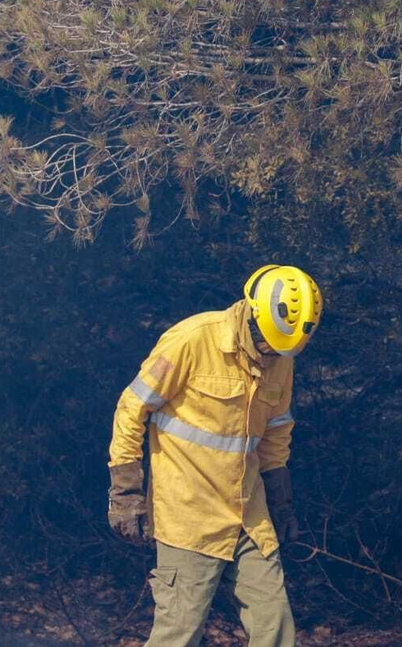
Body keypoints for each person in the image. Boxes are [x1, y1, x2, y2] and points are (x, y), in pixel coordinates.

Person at [107, 264, 324, 647]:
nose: (271, 355)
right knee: (179, 634)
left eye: (281, 350)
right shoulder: (192, 339)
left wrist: (281, 502)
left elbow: (276, 433)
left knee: (275, 626)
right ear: (252, 314)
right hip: (187, 516)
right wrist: (125, 492)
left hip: (248, 517)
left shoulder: (282, 358)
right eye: (267, 344)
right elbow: (131, 408)